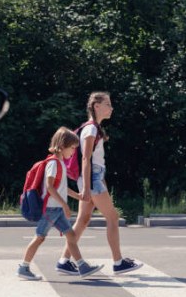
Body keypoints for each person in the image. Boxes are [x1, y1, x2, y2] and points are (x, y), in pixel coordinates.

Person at [60, 91, 143, 275]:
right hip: (91, 179)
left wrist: (92, 183)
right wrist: (88, 188)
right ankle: (118, 262)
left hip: (92, 178)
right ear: (96, 106)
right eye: (108, 104)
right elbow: (85, 159)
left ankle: (64, 260)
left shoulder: (93, 128)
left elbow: (92, 162)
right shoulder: (91, 129)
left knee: (83, 220)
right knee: (113, 218)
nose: (111, 108)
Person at [17, 126, 104, 280]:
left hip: (56, 209)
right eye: (72, 148)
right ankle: (23, 267)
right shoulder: (54, 163)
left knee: (71, 235)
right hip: (50, 209)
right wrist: (65, 205)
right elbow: (50, 187)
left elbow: (61, 188)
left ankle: (82, 266)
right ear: (62, 146)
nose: (73, 152)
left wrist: (77, 196)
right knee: (40, 237)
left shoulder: (60, 163)